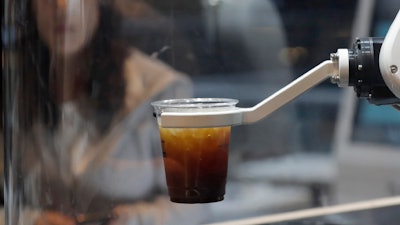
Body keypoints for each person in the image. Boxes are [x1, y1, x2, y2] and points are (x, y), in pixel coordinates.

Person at [3, 0, 209, 224]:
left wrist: (131, 219)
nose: (62, 7)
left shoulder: (162, 90)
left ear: (100, 5)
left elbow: (197, 203)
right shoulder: (14, 88)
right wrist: (33, 220)